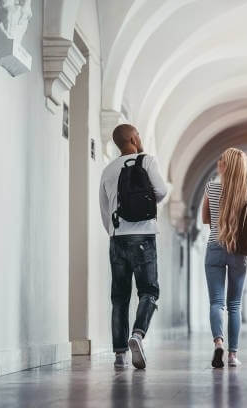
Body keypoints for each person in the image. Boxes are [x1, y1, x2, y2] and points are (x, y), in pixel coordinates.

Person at [99, 124, 168, 369]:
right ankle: (137, 335)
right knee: (148, 291)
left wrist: (115, 232)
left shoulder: (107, 169)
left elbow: (104, 211)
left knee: (119, 297)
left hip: (117, 238)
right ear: (132, 138)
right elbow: (161, 191)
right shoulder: (146, 161)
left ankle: (119, 355)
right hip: (144, 236)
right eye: (137, 133)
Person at [202, 148, 247, 368]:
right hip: (238, 251)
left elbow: (205, 219)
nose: (217, 162)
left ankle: (218, 343)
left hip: (214, 246)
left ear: (225, 166)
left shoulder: (210, 187)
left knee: (216, 303)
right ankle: (232, 355)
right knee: (234, 305)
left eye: (220, 160)